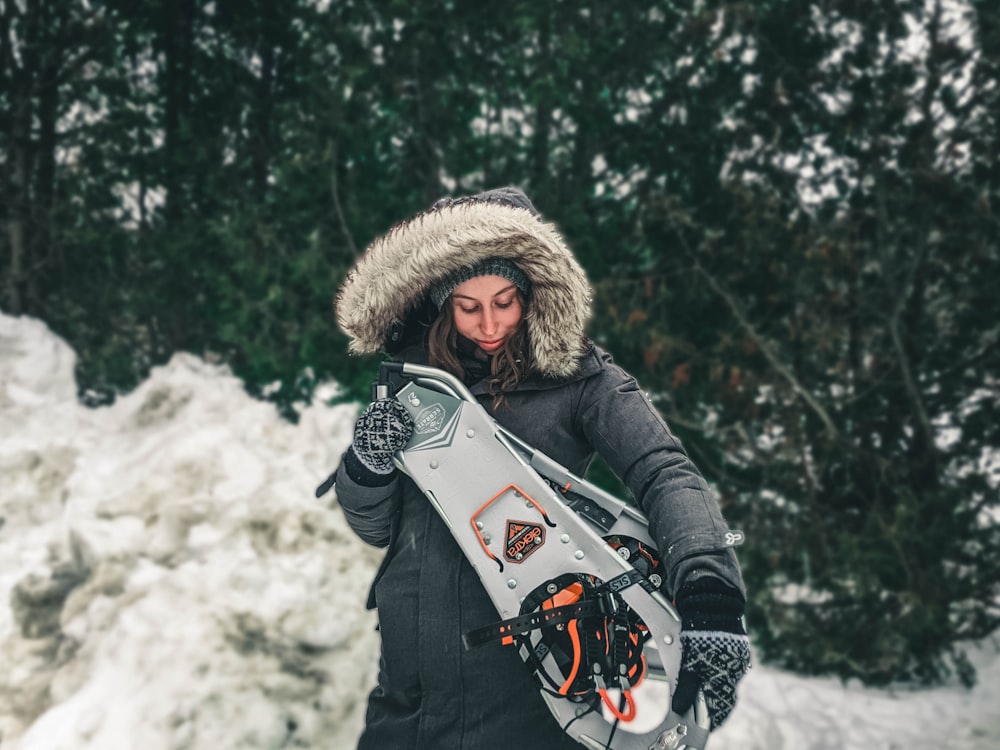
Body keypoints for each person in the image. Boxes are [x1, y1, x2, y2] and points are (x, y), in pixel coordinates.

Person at [332, 187, 750, 750]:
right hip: (406, 705)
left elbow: (665, 472)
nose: (489, 324)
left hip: (534, 699)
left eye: (505, 301)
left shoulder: (581, 381)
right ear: (439, 301)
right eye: (468, 305)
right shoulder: (414, 386)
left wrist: (710, 594)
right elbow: (377, 529)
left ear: (532, 291)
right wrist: (367, 464)